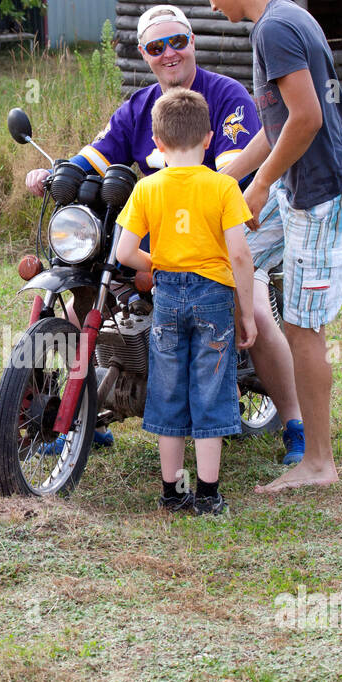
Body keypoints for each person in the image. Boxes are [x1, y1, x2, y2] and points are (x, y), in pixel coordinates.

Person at [26, 4, 304, 464]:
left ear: (192, 42)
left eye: (178, 41)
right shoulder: (138, 107)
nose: (170, 53)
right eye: (158, 47)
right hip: (160, 232)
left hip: (230, 220)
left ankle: (295, 423)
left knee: (250, 302)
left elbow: (233, 173)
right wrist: (53, 173)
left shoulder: (228, 96)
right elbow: (97, 154)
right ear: (144, 54)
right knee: (87, 296)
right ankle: (79, 412)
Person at [188, 0, 342, 495]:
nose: (211, 6)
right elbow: (280, 124)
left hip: (321, 193)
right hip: (296, 185)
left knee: (303, 326)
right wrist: (227, 172)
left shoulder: (277, 29)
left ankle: (318, 461)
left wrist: (261, 184)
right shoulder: (282, 19)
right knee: (223, 250)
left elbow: (308, 118)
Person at [115, 87, 256, 516]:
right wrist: (246, 312)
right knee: (211, 388)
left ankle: (171, 494)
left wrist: (156, 263)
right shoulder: (223, 187)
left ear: (157, 144)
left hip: (168, 296)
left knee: (168, 389)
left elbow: (124, 254)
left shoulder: (146, 189)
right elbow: (240, 255)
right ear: (210, 138)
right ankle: (209, 495)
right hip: (214, 296)